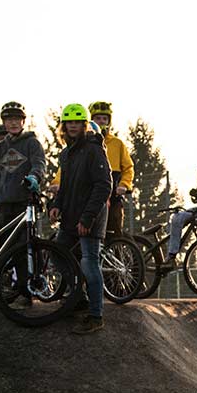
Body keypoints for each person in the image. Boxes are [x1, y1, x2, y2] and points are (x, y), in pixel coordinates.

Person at [54, 104, 113, 335]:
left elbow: (103, 185)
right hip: (70, 216)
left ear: (84, 124)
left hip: (90, 217)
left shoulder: (94, 148)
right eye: (69, 122)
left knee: (90, 263)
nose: (73, 126)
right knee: (58, 255)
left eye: (77, 122)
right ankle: (79, 296)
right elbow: (65, 186)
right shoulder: (66, 153)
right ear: (64, 125)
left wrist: (88, 218)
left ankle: (96, 315)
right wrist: (56, 205)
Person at [0, 102, 48, 290]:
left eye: (16, 119)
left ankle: (25, 290)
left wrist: (34, 177)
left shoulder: (32, 143)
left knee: (24, 246)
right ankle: (9, 288)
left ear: (23, 121)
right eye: (8, 120)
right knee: (7, 249)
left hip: (25, 202)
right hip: (4, 204)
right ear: (4, 123)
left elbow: (39, 164)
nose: (13, 123)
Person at [89, 101, 135, 237]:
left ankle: (118, 254)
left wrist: (124, 185)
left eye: (105, 118)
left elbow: (128, 167)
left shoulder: (117, 144)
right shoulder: (86, 143)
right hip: (91, 195)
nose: (101, 121)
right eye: (97, 118)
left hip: (113, 195)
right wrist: (57, 182)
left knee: (114, 232)